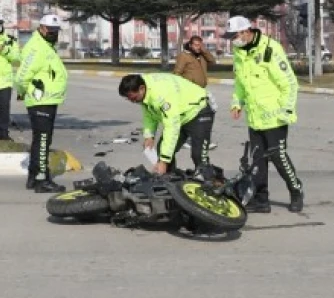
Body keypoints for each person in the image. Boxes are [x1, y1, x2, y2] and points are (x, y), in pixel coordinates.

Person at [223, 15, 304, 213]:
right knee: (257, 159)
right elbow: (240, 83)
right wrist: (237, 102)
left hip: (276, 116)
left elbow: (290, 83)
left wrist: (286, 109)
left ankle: (296, 190)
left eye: (235, 36)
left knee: (278, 157)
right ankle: (261, 200)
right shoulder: (239, 52)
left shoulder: (270, 49)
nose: (233, 40)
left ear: (245, 31)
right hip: (254, 116)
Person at [118, 73, 215, 175]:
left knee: (198, 154)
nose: (131, 101)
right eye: (127, 98)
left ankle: (209, 182)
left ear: (141, 88)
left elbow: (172, 127)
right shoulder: (144, 90)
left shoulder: (161, 95)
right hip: (180, 113)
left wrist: (164, 161)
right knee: (162, 149)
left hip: (198, 110)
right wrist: (149, 136)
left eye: (131, 97)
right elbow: (149, 114)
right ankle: (169, 180)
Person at [15, 14, 68, 193]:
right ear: (41, 28)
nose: (53, 33)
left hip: (47, 99)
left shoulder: (45, 45)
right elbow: (22, 75)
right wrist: (22, 92)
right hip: (40, 100)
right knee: (43, 140)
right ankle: (41, 180)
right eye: (50, 30)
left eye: (56, 31)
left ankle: (33, 177)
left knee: (41, 139)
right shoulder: (36, 47)